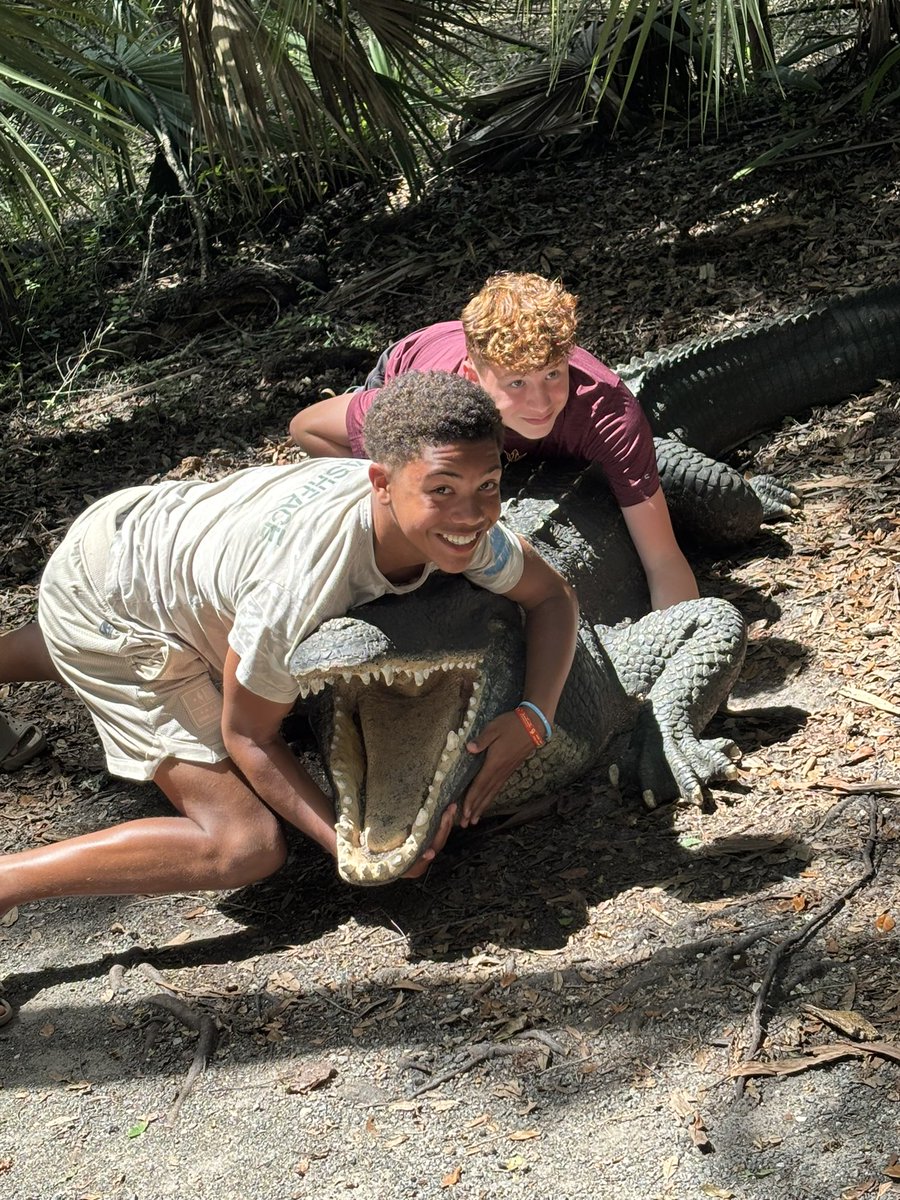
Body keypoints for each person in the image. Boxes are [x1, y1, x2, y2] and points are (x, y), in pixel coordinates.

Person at [0, 371, 577, 1020]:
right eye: (442, 489)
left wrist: (535, 716)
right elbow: (248, 735)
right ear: (379, 482)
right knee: (243, 845)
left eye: (488, 486)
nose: (472, 513)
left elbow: (552, 596)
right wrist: (351, 846)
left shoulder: (463, 531)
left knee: (115, 634)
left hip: (145, 534)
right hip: (125, 601)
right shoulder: (297, 594)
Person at [290, 271, 698, 612]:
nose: (540, 403)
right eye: (517, 382)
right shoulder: (425, 408)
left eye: (553, 374)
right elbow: (306, 428)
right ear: (473, 376)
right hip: (426, 379)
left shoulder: (606, 412)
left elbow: (662, 559)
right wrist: (395, 492)